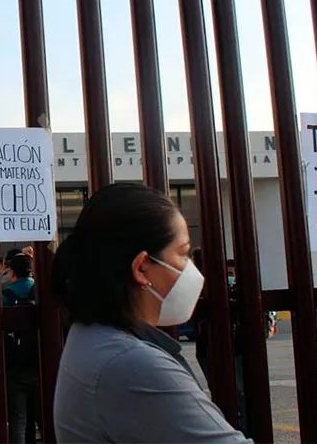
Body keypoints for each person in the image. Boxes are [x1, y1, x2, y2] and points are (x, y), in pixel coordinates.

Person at [52, 182, 248, 443]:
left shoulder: (94, 336)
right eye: (183, 254)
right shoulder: (131, 365)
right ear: (142, 268)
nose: (191, 270)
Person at [3, 253, 40, 444]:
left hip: (15, 364)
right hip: (40, 362)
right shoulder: (39, 292)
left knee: (18, 420)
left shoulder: (5, 295)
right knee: (43, 416)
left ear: (12, 271)